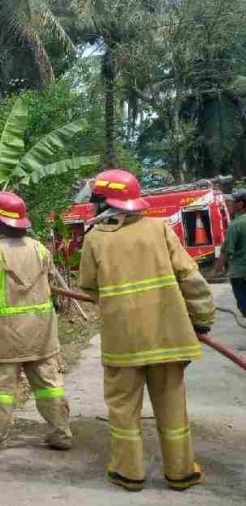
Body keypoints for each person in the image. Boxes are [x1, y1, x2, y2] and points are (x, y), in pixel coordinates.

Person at [79, 169, 214, 492]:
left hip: (122, 344)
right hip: (168, 338)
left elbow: (89, 287)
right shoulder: (159, 228)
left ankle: (128, 472)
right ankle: (181, 473)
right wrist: (201, 318)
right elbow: (190, 278)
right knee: (172, 406)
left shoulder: (95, 239)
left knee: (123, 409)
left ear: (104, 202)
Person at [0, 191, 73, 451]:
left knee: (0, 390)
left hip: (6, 337)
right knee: (49, 386)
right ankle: (60, 434)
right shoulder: (40, 249)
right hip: (41, 333)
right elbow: (48, 281)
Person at [213, 191, 246, 316]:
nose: (229, 204)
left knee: (244, 307)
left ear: (240, 205)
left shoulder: (236, 225)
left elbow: (226, 251)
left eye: (232, 202)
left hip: (240, 274)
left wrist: (216, 271)